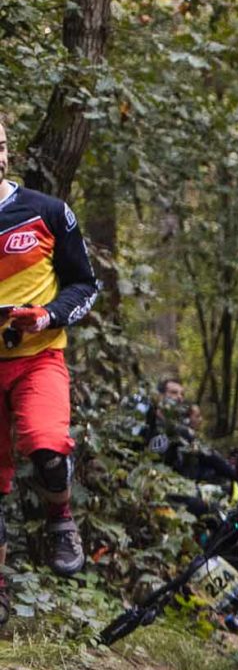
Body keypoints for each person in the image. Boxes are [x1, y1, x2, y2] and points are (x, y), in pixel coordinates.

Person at [0, 118, 99, 585]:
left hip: (37, 358)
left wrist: (46, 315)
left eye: (1, 146)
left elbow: (85, 284)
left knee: (48, 447)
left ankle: (60, 520)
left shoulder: (48, 211)